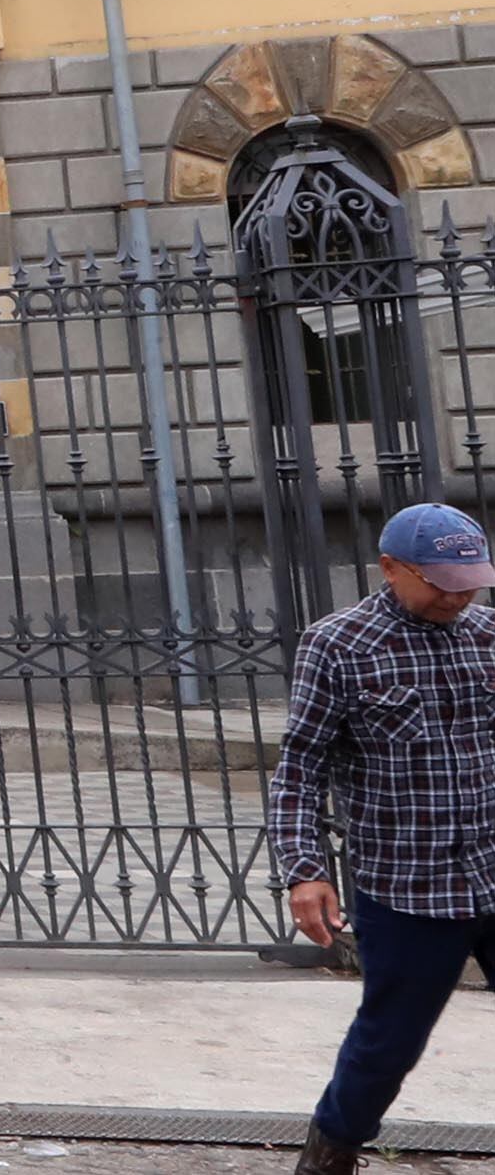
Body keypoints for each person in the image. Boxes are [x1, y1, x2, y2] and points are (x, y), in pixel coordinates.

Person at [271, 501, 495, 1174]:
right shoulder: (336, 644)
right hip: (406, 885)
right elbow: (298, 768)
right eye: (439, 584)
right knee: (388, 1039)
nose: (457, 598)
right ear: (390, 568)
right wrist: (304, 869)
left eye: (471, 582)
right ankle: (331, 1148)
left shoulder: (487, 635)